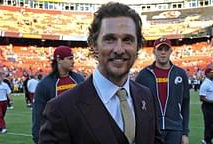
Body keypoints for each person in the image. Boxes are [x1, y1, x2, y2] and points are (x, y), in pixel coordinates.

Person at [39, 2, 163, 144]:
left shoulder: (146, 96)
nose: (119, 49)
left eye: (127, 40)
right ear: (94, 45)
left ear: (138, 46)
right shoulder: (61, 109)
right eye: (109, 39)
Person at [135, 37, 190, 144]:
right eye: (160, 49)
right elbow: (136, 105)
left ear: (171, 51)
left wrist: (184, 133)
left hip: (175, 129)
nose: (163, 52)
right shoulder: (143, 75)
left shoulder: (180, 74)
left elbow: (185, 104)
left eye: (166, 49)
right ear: (154, 51)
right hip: (152, 129)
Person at [32, 45, 85, 144]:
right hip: (57, 136)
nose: (73, 61)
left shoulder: (79, 79)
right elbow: (38, 114)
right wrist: (37, 138)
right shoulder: (44, 85)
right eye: (70, 59)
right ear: (59, 60)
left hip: (79, 134)